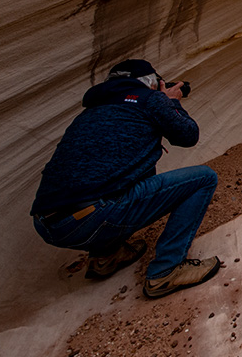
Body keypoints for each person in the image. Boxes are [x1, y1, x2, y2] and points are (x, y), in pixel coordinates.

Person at [31, 59, 220, 298]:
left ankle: (105, 257)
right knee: (204, 179)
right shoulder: (149, 100)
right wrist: (170, 101)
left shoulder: (91, 112)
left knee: (115, 184)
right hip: (96, 216)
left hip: (49, 225)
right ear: (153, 83)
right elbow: (188, 135)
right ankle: (165, 270)